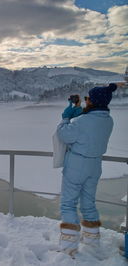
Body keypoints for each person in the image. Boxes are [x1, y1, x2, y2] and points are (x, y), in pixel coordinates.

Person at [56, 83, 117, 256]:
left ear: (94, 101)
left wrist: (66, 118)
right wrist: (80, 112)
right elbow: (91, 125)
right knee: (88, 204)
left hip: (77, 165)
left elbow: (64, 135)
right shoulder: (108, 120)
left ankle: (68, 248)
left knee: (68, 205)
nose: (85, 100)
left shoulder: (82, 121)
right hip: (95, 166)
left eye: (87, 98)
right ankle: (92, 243)